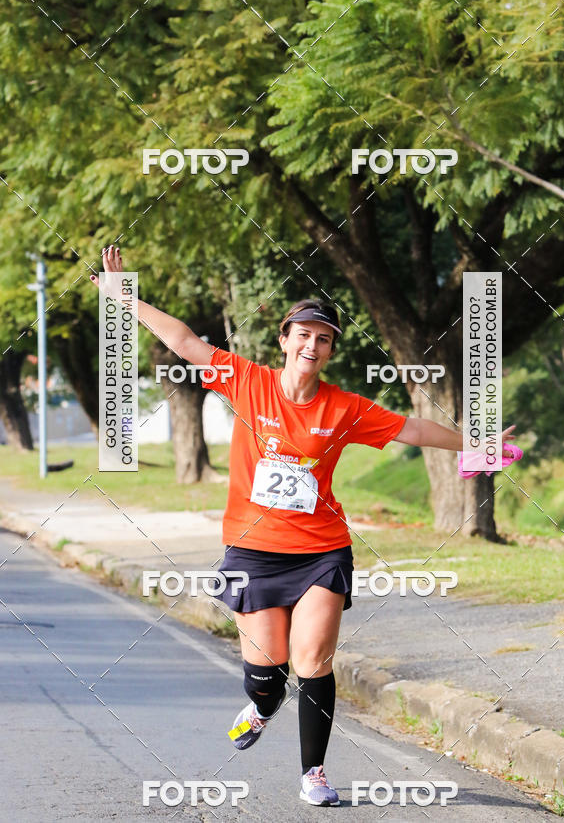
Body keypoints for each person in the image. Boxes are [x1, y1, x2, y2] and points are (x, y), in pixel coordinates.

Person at [91, 245, 516, 807]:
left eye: (324, 339)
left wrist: (478, 444)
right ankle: (263, 705)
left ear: (329, 351)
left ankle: (313, 772)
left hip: (321, 550)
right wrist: (127, 301)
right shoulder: (249, 383)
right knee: (265, 668)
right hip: (253, 550)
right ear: (285, 340)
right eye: (304, 335)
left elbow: (412, 429)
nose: (312, 345)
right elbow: (187, 343)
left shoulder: (344, 408)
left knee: (313, 658)